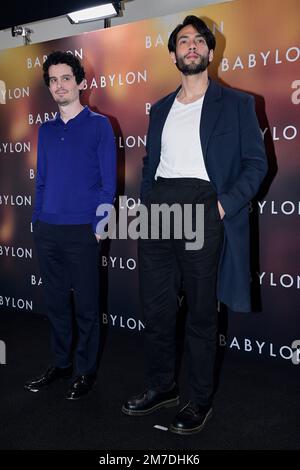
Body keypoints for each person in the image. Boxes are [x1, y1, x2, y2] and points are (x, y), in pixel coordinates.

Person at [122, 16, 267, 434]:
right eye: (183, 40)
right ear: (172, 55)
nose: (191, 45)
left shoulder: (239, 104)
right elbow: (152, 163)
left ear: (209, 51)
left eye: (198, 40)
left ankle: (199, 399)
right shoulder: (161, 107)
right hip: (158, 211)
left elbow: (256, 164)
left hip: (205, 207)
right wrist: (147, 202)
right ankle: (161, 386)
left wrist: (222, 206)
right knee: (156, 309)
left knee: (202, 314)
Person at [24, 51, 116, 400]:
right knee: (57, 304)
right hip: (48, 230)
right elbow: (42, 180)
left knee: (88, 308)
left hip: (83, 232)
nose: (59, 85)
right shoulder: (45, 131)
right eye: (53, 79)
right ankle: (62, 364)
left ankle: (85, 370)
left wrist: (98, 229)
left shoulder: (100, 125)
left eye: (66, 78)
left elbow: (109, 184)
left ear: (81, 82)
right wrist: (37, 219)